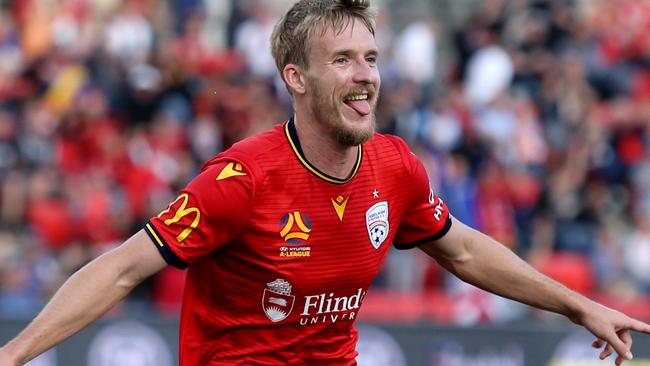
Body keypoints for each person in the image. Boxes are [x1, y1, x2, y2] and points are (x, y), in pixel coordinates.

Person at [1, 0, 649, 365]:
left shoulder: (395, 167)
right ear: (296, 78)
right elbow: (121, 269)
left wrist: (578, 303)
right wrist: (15, 354)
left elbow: (465, 250)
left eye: (370, 58)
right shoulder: (240, 180)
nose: (364, 75)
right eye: (342, 60)